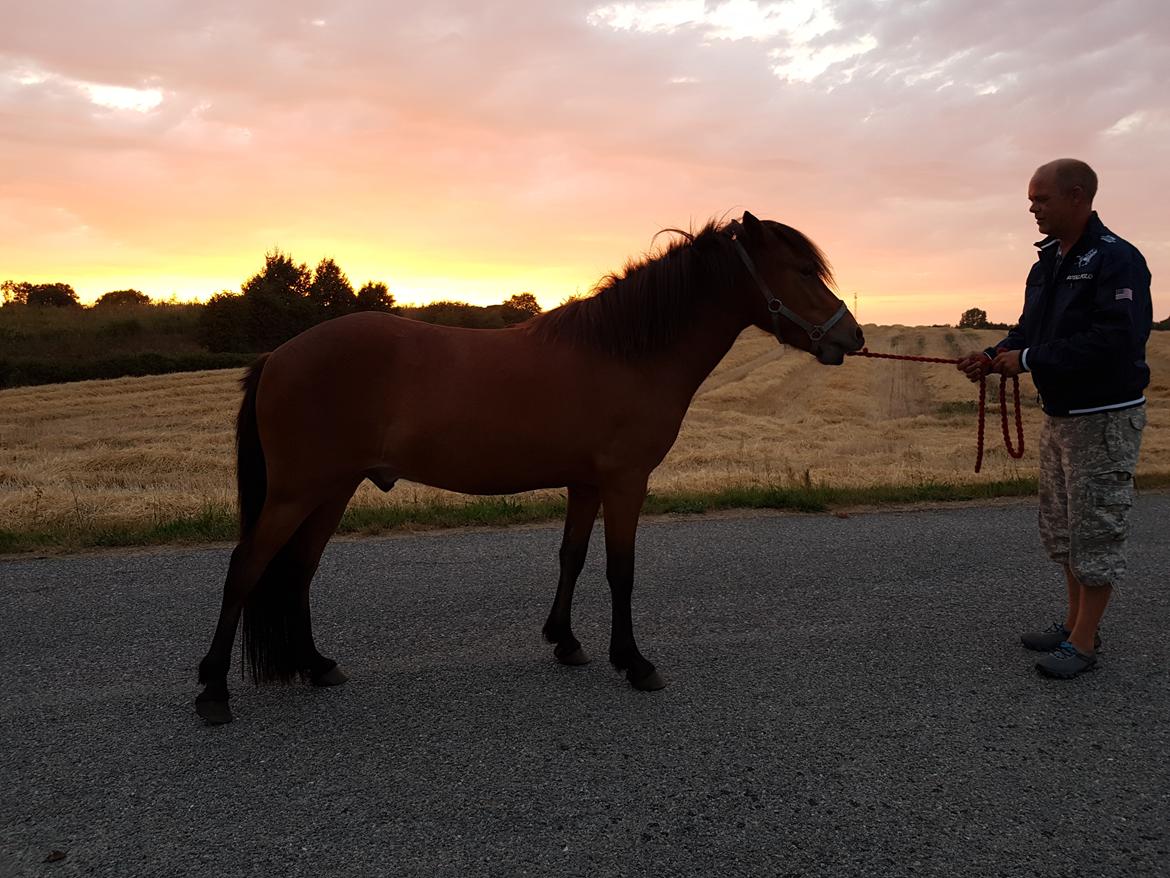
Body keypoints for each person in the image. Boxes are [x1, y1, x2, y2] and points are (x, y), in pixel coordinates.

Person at [956, 158, 1152, 679]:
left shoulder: (1117, 259)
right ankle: (1072, 625)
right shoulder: (1046, 263)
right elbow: (1029, 330)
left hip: (1104, 419)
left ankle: (1083, 644)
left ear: (1077, 195)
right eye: (1031, 200)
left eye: (1041, 199)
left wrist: (1025, 361)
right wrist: (993, 355)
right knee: (1064, 531)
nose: (1033, 209)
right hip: (1060, 417)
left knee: (1096, 530)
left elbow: (1115, 339)